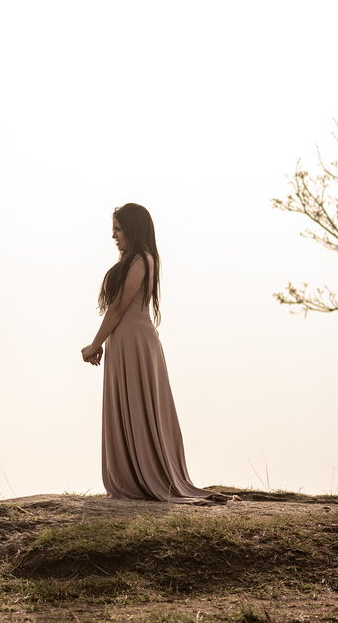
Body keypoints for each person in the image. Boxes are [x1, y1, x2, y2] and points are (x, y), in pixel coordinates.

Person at [81, 203, 231, 505]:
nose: (113, 235)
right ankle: (131, 474)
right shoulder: (133, 260)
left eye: (118, 229)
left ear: (133, 229)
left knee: (139, 406)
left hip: (135, 341)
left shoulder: (141, 260)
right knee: (129, 405)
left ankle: (147, 475)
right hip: (124, 341)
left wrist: (95, 343)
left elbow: (119, 307)